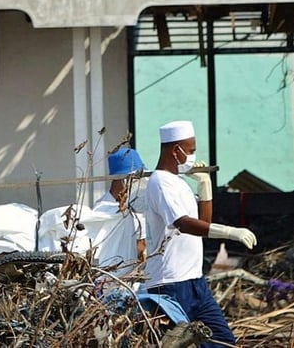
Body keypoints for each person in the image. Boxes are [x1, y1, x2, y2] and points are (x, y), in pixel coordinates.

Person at [144, 121, 258, 347]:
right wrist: (230, 232)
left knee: (222, 341)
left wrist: (204, 186)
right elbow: (183, 224)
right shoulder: (160, 182)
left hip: (195, 281)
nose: (193, 157)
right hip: (170, 283)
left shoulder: (179, 182)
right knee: (174, 343)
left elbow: (203, 223)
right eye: (190, 150)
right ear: (176, 151)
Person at [94, 147, 148, 268]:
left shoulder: (139, 205)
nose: (139, 183)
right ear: (120, 179)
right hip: (109, 272)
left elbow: (143, 246)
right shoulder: (101, 209)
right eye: (135, 179)